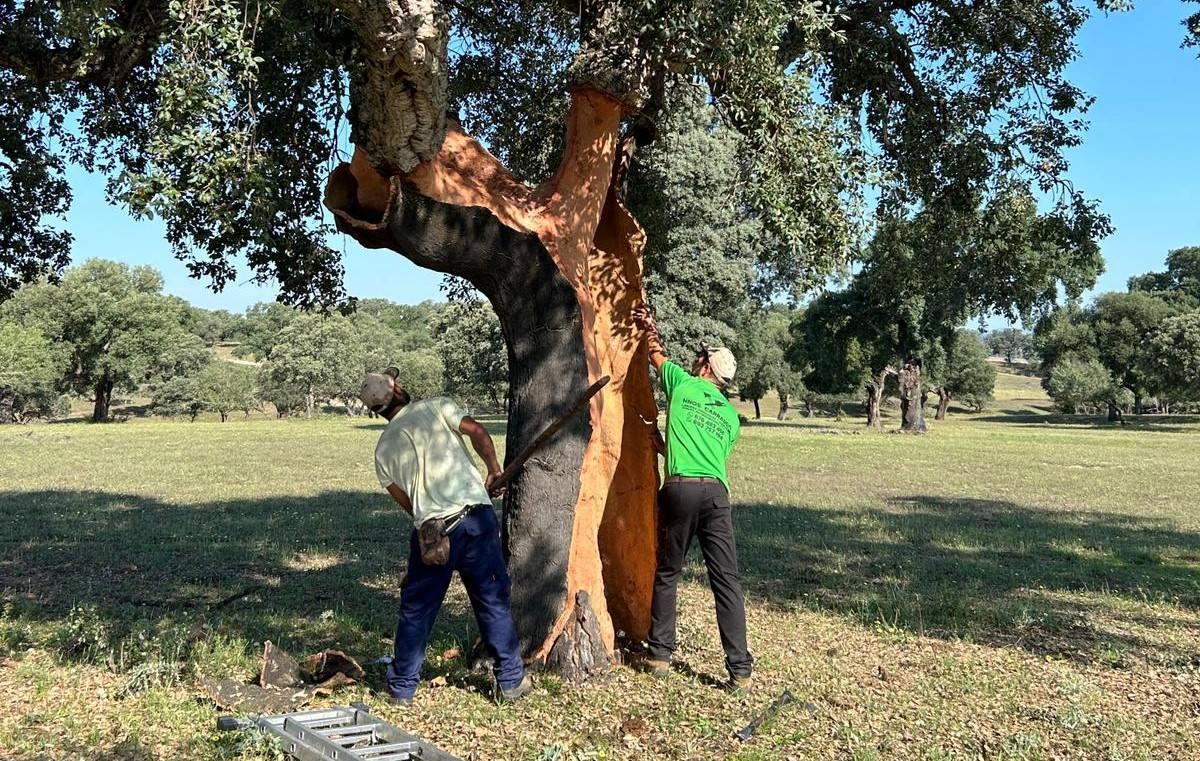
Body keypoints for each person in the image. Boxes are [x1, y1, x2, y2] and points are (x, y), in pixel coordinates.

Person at [359, 367, 532, 705]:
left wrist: (430, 523)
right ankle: (511, 683)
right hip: (475, 522)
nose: (403, 384)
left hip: (432, 532)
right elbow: (478, 432)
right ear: (396, 392)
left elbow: (408, 505)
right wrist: (494, 470)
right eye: (399, 382)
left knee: (416, 612)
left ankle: (402, 690)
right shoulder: (436, 407)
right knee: (492, 601)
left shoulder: (382, 451)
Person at [631, 305, 753, 691]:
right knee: (726, 583)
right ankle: (740, 671)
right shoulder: (732, 419)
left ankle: (661, 655)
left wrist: (648, 326)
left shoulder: (681, 383)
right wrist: (666, 447)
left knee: (668, 572)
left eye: (700, 357)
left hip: (680, 490)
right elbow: (709, 459)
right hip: (716, 495)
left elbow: (654, 352)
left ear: (705, 368)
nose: (696, 360)